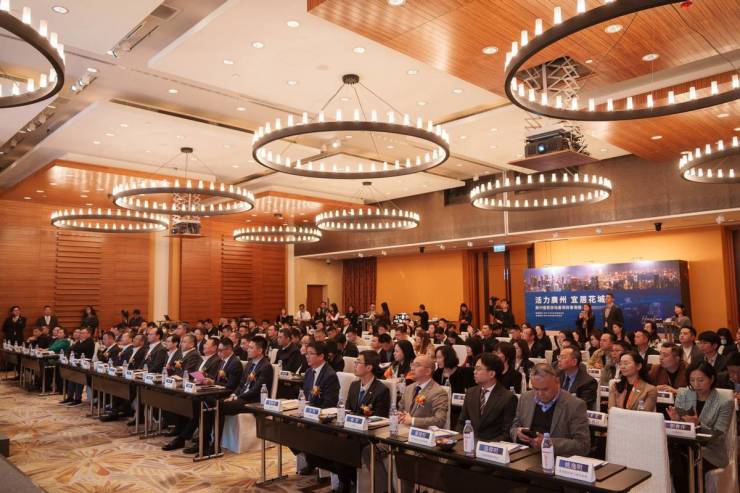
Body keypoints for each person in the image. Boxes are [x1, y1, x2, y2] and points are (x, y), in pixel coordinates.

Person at [668, 361, 735, 493]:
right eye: (692, 380)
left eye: (701, 380)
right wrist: (676, 421)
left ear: (711, 379)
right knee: (674, 461)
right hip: (684, 448)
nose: (696, 385)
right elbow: (680, 430)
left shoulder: (725, 401)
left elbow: (719, 436)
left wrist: (698, 425)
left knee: (687, 464)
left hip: (710, 452)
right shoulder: (683, 394)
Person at [511, 363, 590, 457]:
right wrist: (518, 433)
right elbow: (514, 428)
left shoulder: (575, 405)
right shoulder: (525, 398)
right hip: (526, 456)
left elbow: (583, 445)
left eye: (545, 389)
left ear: (557, 382)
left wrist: (548, 443)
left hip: (557, 458)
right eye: (535, 389)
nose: (540, 394)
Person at [456, 352, 517, 442]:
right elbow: (461, 422)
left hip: (491, 446)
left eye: (478, 369)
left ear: (492, 374)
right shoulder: (471, 392)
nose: (474, 372)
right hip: (468, 443)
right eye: (475, 368)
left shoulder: (508, 397)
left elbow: (506, 433)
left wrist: (484, 445)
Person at [399, 355, 449, 428]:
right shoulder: (408, 388)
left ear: (428, 371)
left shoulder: (438, 392)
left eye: (417, 365)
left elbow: (440, 420)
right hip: (404, 430)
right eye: (412, 365)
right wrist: (399, 415)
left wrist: (413, 420)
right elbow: (400, 409)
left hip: (423, 432)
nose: (412, 368)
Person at [60, 327, 94, 406]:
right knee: (71, 378)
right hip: (75, 362)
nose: (80, 334)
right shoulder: (79, 341)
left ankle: (78, 399)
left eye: (83, 333)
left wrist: (74, 350)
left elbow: (79, 349)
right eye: (80, 333)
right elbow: (70, 349)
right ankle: (70, 397)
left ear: (88, 334)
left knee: (79, 380)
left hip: (84, 365)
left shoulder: (90, 341)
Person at [303, 341, 340, 408]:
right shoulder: (308, 372)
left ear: (321, 356)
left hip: (320, 411)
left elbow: (329, 404)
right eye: (306, 353)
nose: (307, 356)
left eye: (311, 353)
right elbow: (305, 395)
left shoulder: (330, 376)